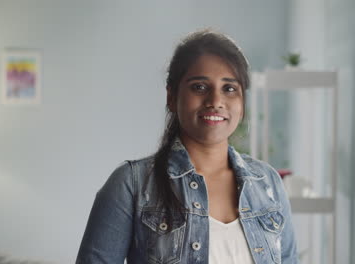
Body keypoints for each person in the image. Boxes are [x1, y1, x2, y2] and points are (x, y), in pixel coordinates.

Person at [76, 29, 299, 264]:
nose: (215, 101)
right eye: (200, 87)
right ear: (171, 97)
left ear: (242, 102)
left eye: (229, 88)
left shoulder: (268, 183)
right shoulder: (130, 185)